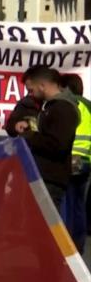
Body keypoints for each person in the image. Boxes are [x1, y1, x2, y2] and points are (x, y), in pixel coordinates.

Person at [13, 66, 78, 208]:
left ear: (42, 86)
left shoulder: (63, 108)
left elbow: (57, 145)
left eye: (31, 90)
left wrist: (29, 136)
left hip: (50, 180)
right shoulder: (49, 107)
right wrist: (30, 126)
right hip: (43, 177)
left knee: (45, 227)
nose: (30, 94)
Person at [59, 73, 90, 254]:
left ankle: (67, 248)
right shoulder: (89, 105)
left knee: (66, 204)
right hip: (86, 160)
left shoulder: (70, 104)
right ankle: (79, 246)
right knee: (79, 205)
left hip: (71, 159)